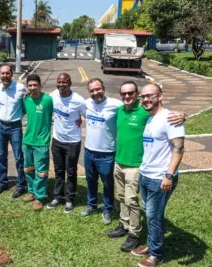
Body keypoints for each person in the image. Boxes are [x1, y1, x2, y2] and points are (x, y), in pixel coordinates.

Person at [108, 81, 187, 252]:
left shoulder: (145, 111)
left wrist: (183, 115)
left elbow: (167, 116)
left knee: (131, 200)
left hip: (136, 166)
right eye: (123, 94)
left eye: (131, 93)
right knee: (121, 197)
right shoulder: (120, 109)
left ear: (136, 95)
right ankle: (124, 224)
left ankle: (134, 234)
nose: (127, 96)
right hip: (120, 162)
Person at [131, 84, 185, 267]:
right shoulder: (150, 117)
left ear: (160, 96)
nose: (145, 99)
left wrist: (169, 175)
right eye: (143, 97)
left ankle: (156, 254)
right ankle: (151, 244)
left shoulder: (170, 118)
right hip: (146, 175)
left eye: (149, 96)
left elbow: (179, 148)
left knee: (154, 216)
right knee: (150, 214)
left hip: (160, 178)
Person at [80, 78, 123, 224]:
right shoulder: (86, 103)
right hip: (89, 151)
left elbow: (132, 109)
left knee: (107, 184)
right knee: (90, 180)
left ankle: (107, 209)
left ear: (103, 88)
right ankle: (91, 204)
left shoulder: (116, 105)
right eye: (92, 90)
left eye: (98, 89)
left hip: (106, 153)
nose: (95, 92)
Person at [46, 73, 86, 213]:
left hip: (72, 142)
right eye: (59, 82)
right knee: (58, 170)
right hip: (57, 141)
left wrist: (81, 118)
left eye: (64, 82)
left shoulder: (78, 100)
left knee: (70, 171)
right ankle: (57, 197)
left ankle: (69, 199)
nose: (61, 85)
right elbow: (42, 99)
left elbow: (90, 114)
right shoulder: (53, 95)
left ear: (70, 83)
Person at [0, 64, 27, 198]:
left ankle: (21, 185)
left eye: (7, 73)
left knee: (19, 156)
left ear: (12, 74)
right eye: (3, 73)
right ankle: (3, 183)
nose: (5, 76)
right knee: (1, 155)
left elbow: (25, 106)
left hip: (15, 127)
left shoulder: (20, 88)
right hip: (0, 126)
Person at [22, 74, 53, 211]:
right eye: (30, 85)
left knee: (41, 171)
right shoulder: (26, 99)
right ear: (27, 87)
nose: (33, 87)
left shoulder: (47, 99)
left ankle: (40, 197)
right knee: (28, 169)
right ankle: (32, 192)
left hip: (41, 142)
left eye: (35, 85)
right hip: (27, 140)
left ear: (40, 85)